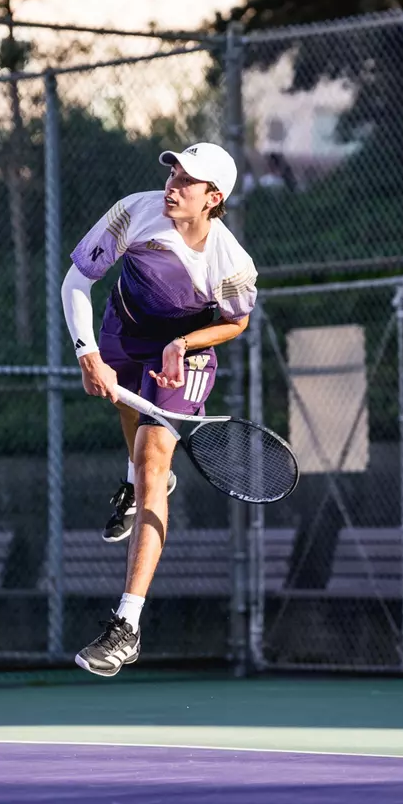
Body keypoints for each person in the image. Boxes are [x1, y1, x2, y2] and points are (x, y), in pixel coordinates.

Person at [61, 142, 257, 676]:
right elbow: (77, 279)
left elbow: (236, 322)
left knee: (153, 463)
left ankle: (126, 625)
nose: (173, 184)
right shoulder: (136, 211)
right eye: (173, 172)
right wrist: (88, 354)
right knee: (135, 436)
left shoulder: (231, 262)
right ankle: (138, 477)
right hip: (122, 333)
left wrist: (186, 343)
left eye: (187, 181)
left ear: (213, 198)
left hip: (182, 358)